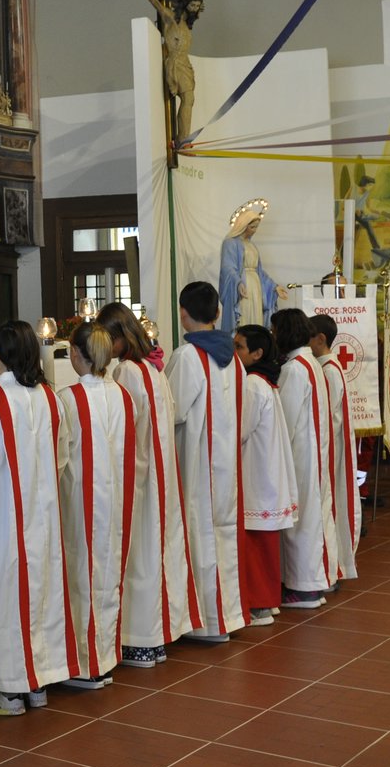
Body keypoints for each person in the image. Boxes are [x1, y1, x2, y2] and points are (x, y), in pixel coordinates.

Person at [0, 320, 77, 712]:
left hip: (2, 515)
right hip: (44, 513)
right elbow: (62, 458)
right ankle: (39, 680)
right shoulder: (51, 399)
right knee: (40, 589)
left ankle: (9, 685)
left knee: (3, 591)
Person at [98, 302, 198, 668]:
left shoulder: (126, 372)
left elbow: (120, 424)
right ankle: (156, 637)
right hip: (161, 472)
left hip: (139, 474)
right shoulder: (153, 370)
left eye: (107, 338)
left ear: (122, 337)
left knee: (138, 554)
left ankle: (139, 638)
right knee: (157, 551)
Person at [165, 281, 247, 641]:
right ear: (217, 313)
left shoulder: (188, 357)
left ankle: (206, 623)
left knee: (200, 534)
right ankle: (227, 614)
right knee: (224, 535)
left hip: (197, 463)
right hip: (228, 460)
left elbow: (174, 409)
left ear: (183, 314)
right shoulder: (233, 359)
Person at [57, 322, 135, 687]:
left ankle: (85, 663)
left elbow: (59, 456)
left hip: (81, 498)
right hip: (115, 495)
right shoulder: (121, 394)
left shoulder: (68, 398)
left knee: (81, 574)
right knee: (107, 574)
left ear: (75, 353)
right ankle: (104, 657)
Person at [233, 324, 298, 624]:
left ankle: (258, 605)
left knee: (256, 545)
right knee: (264, 544)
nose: (234, 352)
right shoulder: (264, 382)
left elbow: (241, 430)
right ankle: (268, 600)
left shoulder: (252, 384)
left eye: (239, 347)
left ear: (257, 353)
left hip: (255, 471)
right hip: (266, 470)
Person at [272, 308, 335, 609]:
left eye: (274, 331)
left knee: (300, 521)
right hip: (313, 451)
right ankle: (308, 584)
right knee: (310, 516)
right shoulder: (309, 363)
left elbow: (284, 417)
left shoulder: (295, 369)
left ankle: (304, 587)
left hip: (299, 454)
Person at [124, 0, 204, 144]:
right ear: (185, 4)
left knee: (189, 99)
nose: (195, 8)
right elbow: (154, 0)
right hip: (175, 63)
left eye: (197, 6)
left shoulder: (188, 26)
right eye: (192, 5)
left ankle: (183, 138)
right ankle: (183, 139)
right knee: (188, 98)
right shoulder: (168, 17)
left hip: (185, 64)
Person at [308, 313, 360, 583]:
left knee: (331, 504)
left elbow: (326, 414)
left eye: (309, 337)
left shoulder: (327, 370)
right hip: (333, 443)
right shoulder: (330, 366)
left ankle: (333, 565)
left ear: (320, 339)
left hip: (330, 445)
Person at [218, 199, 279, 334]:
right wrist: (237, 282)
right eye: (252, 227)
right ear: (243, 225)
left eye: (256, 227)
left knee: (255, 319)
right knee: (244, 318)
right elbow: (228, 267)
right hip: (243, 286)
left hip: (256, 286)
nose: (255, 231)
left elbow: (259, 272)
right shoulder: (230, 243)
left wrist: (274, 286)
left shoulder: (251, 245)